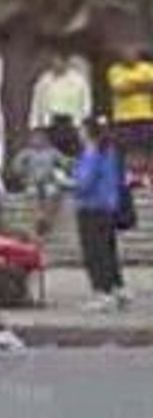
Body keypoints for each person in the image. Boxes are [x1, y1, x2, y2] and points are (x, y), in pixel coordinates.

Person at [73, 119, 129, 311]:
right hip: (108, 207)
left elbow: (84, 182)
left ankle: (102, 293)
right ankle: (118, 288)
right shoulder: (110, 151)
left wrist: (68, 180)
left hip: (91, 207)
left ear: (88, 132)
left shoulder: (91, 152)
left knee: (94, 253)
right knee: (108, 251)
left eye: (81, 129)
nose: (78, 133)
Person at [11, 128, 74, 238]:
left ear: (46, 138)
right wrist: (23, 174)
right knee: (32, 193)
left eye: (41, 137)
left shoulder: (53, 151)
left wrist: (70, 163)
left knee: (53, 193)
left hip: (49, 182)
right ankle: (39, 217)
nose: (38, 140)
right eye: (35, 137)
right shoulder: (26, 152)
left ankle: (46, 219)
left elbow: (64, 162)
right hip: (31, 182)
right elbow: (16, 166)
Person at [28, 53, 92, 157]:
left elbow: (86, 103)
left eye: (59, 61)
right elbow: (36, 103)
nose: (56, 64)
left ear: (65, 62)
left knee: (71, 155)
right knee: (51, 155)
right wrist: (35, 126)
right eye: (54, 61)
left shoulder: (78, 80)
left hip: (71, 124)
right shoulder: (44, 80)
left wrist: (84, 124)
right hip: (51, 124)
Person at [107, 45, 153, 187]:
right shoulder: (114, 70)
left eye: (132, 52)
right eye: (126, 52)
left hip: (145, 114)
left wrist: (130, 83)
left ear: (137, 54)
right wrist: (141, 84)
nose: (129, 55)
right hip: (123, 117)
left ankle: (145, 175)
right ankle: (130, 175)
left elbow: (151, 85)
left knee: (145, 147)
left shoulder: (147, 67)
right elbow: (119, 88)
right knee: (127, 148)